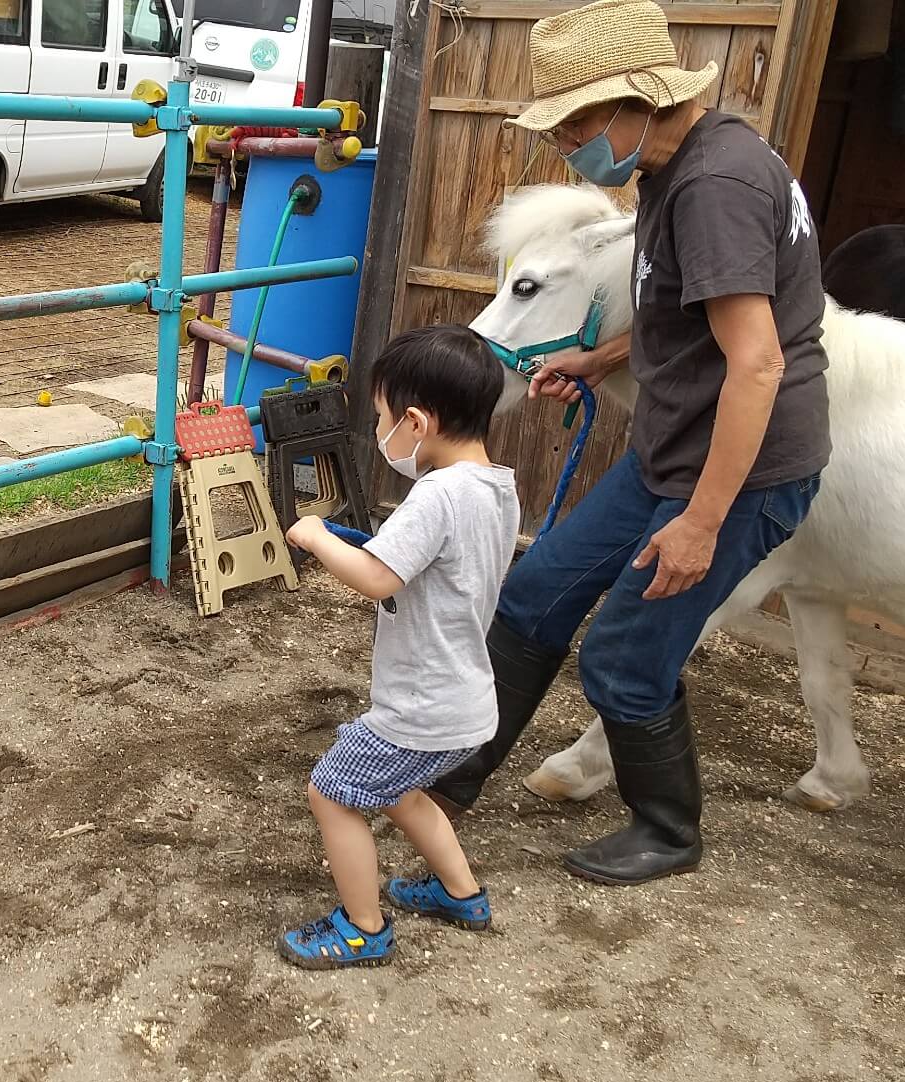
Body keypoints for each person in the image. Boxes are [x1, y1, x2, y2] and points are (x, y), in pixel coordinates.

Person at [426, 0, 831, 886]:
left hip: (739, 470)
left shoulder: (715, 187)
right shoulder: (677, 166)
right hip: (671, 448)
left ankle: (668, 827)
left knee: (626, 655)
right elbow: (690, 318)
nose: (567, 141)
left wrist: (703, 522)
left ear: (638, 100)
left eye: (577, 121)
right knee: (535, 592)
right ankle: (450, 775)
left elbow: (757, 364)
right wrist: (602, 354)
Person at [278, 325, 522, 969]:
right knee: (398, 791)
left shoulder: (435, 496)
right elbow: (431, 565)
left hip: (418, 710)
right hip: (467, 705)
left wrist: (315, 536)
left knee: (332, 792)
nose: (383, 431)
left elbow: (376, 578)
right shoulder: (496, 488)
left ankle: (362, 929)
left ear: (417, 422)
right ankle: (459, 892)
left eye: (385, 418)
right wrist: (358, 539)